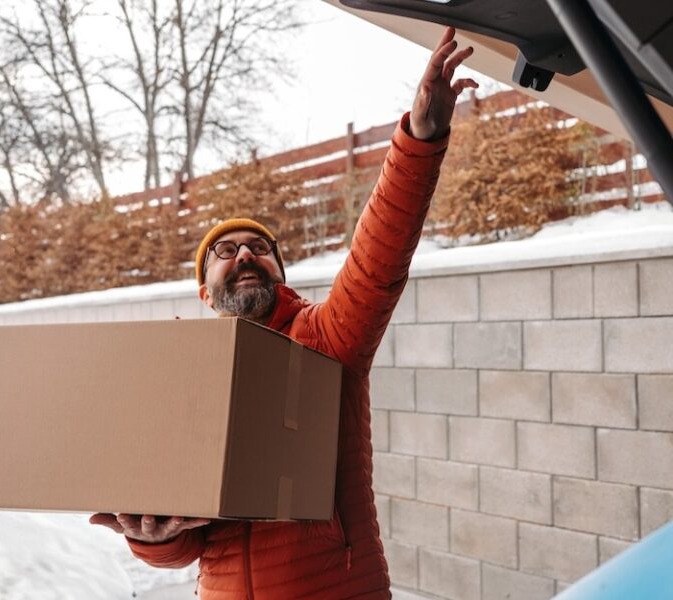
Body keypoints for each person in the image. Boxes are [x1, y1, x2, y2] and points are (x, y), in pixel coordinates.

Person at [90, 26, 478, 599]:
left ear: (280, 274)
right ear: (205, 293)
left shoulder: (325, 339)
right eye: (225, 252)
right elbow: (189, 545)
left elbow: (377, 259)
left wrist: (419, 138)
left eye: (260, 249)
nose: (245, 253)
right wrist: (154, 536)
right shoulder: (187, 380)